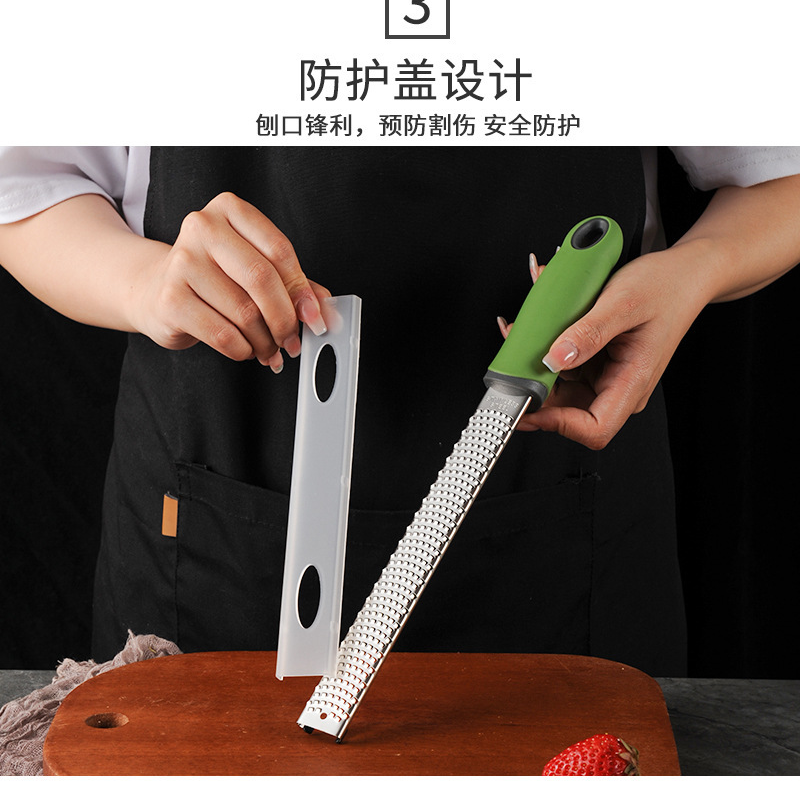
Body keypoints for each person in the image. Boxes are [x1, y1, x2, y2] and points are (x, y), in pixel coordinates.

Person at [1, 146, 799, 678]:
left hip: (564, 539)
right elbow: (29, 181)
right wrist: (146, 281)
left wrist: (696, 269)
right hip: (215, 541)